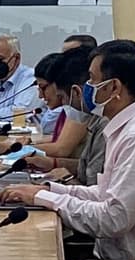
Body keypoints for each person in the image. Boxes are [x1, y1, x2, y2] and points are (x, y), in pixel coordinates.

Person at [0, 40, 135, 260]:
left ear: (114, 88)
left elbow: (114, 219)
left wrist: (42, 198)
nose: (86, 86)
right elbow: (105, 194)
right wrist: (47, 190)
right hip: (116, 258)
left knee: (25, 259)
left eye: (93, 80)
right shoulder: (132, 126)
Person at [25, 45, 107, 185]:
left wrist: (65, 179)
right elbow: (88, 168)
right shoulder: (96, 121)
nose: (64, 104)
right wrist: (53, 163)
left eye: (62, 97)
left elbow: (95, 191)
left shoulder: (105, 123)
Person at [34, 53, 65, 135]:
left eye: (43, 88)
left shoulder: (72, 112)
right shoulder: (54, 110)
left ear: (59, 84)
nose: (40, 96)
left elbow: (46, 127)